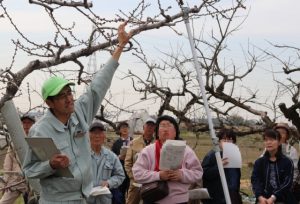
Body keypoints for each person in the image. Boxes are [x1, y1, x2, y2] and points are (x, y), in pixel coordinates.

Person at [22, 22, 133, 204]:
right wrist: (50, 165)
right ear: (49, 102)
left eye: (69, 93)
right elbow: (29, 170)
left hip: (84, 198)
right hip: (56, 201)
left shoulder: (79, 112)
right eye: (61, 96)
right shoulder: (40, 131)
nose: (69, 99)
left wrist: (120, 46)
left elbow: (99, 84)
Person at [132, 115, 203, 204]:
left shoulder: (186, 150)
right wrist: (158, 175)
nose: (165, 129)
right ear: (157, 132)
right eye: (162, 126)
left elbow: (198, 173)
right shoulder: (147, 151)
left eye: (169, 125)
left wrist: (181, 175)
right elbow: (137, 174)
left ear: (175, 132)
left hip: (179, 200)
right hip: (152, 198)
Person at [251, 129, 297, 204]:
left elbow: (287, 183)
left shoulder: (287, 162)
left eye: (272, 140)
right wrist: (260, 197)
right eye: (266, 140)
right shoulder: (259, 162)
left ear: (279, 142)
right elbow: (255, 181)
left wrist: (273, 197)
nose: (268, 142)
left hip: (283, 199)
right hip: (263, 199)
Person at [86, 121, 125, 204]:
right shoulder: (81, 156)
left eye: (100, 133)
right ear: (88, 136)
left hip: (104, 200)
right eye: (94, 133)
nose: (97, 136)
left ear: (104, 136)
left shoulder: (112, 156)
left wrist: (109, 183)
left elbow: (120, 175)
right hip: (85, 199)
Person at [0, 114, 35, 204]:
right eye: (24, 123)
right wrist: (5, 182)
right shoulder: (14, 141)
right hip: (15, 180)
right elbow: (8, 164)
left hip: (31, 180)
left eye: (29, 123)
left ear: (34, 124)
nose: (26, 125)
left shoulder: (37, 140)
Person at [202, 128, 242, 204]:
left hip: (233, 196)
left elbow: (236, 179)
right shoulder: (212, 155)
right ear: (219, 142)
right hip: (216, 198)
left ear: (233, 142)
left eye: (230, 140)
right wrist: (219, 166)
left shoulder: (235, 156)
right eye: (224, 140)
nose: (227, 142)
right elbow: (204, 173)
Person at [125, 117, 156, 204]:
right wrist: (133, 177)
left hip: (152, 182)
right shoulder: (134, 142)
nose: (150, 128)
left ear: (155, 128)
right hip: (136, 182)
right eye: (148, 125)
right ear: (143, 127)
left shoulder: (157, 143)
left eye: (152, 126)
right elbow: (127, 163)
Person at [111, 121, 132, 204]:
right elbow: (112, 157)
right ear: (119, 130)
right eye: (122, 127)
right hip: (121, 170)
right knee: (121, 193)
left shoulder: (134, 141)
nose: (124, 129)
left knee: (132, 193)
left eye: (126, 127)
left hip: (132, 171)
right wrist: (119, 157)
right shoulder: (116, 143)